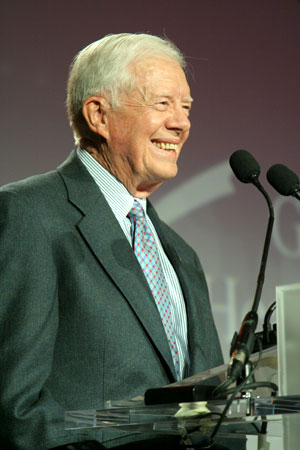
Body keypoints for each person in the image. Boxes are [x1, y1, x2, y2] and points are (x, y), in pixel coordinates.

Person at [0, 34, 245, 450]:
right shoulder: (28, 215)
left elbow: (210, 413)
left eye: (186, 108)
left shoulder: (181, 254)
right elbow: (16, 410)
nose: (181, 123)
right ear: (98, 114)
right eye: (162, 104)